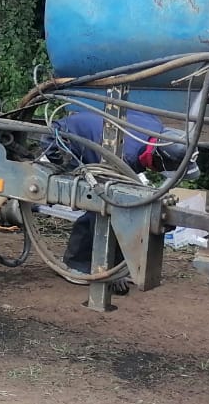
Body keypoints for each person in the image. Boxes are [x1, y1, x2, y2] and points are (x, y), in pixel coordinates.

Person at [45, 109, 188, 290]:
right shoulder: (125, 156)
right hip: (61, 141)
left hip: (84, 132)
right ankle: (76, 265)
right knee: (100, 204)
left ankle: (110, 265)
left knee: (113, 200)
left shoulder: (154, 127)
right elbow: (115, 200)